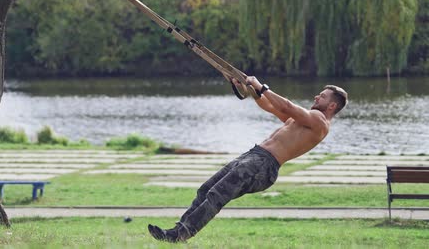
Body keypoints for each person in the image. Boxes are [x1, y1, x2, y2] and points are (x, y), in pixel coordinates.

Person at [148, 75, 348, 242]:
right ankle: (177, 231)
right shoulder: (305, 120)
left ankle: (179, 235)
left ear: (331, 105)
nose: (316, 96)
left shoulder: (319, 122)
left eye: (321, 96)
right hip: (253, 156)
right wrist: (245, 89)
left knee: (217, 194)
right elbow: (271, 106)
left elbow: (286, 105)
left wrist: (262, 86)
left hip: (263, 165)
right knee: (205, 190)